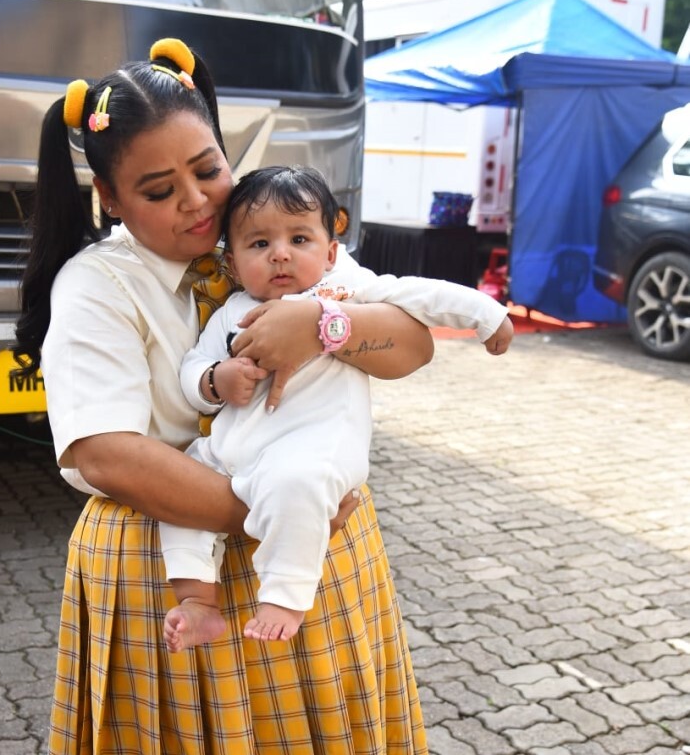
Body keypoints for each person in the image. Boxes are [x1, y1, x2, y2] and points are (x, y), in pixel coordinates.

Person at [13, 36, 436, 755]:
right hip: (176, 558)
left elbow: (414, 343)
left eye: (205, 166)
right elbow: (100, 449)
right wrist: (277, 508)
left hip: (301, 551)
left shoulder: (272, 236)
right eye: (156, 188)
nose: (196, 200)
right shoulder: (98, 289)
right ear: (109, 198)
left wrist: (326, 318)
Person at [161, 165, 513, 648]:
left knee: (298, 486)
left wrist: (487, 315)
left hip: (311, 448)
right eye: (259, 244)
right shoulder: (231, 310)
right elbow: (193, 366)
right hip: (232, 452)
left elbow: (418, 293)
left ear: (330, 252)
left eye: (299, 239)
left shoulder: (343, 290)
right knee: (178, 493)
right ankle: (199, 601)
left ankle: (285, 595)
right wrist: (215, 380)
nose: (280, 253)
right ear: (234, 262)